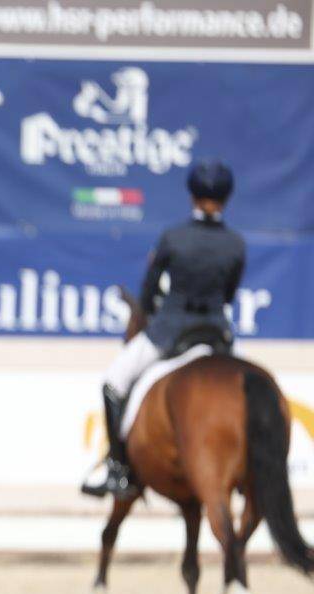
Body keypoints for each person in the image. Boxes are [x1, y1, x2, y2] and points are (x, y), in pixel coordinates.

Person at [82, 159, 246, 500]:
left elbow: (148, 294)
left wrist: (156, 310)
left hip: (170, 331)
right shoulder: (235, 243)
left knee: (114, 381)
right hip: (216, 333)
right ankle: (250, 471)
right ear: (227, 198)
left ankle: (118, 469)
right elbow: (228, 295)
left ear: (192, 195)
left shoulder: (174, 237)